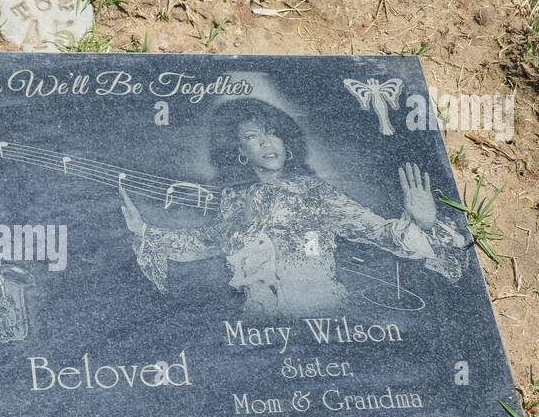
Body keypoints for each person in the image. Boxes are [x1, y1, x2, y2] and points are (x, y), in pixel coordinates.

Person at [119, 99, 467, 315]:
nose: (267, 142)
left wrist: (422, 222)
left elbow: (379, 233)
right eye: (253, 137)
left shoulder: (314, 193)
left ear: (287, 143)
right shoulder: (234, 201)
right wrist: (144, 232)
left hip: (322, 316)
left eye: (273, 134)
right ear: (240, 151)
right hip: (259, 322)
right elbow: (206, 243)